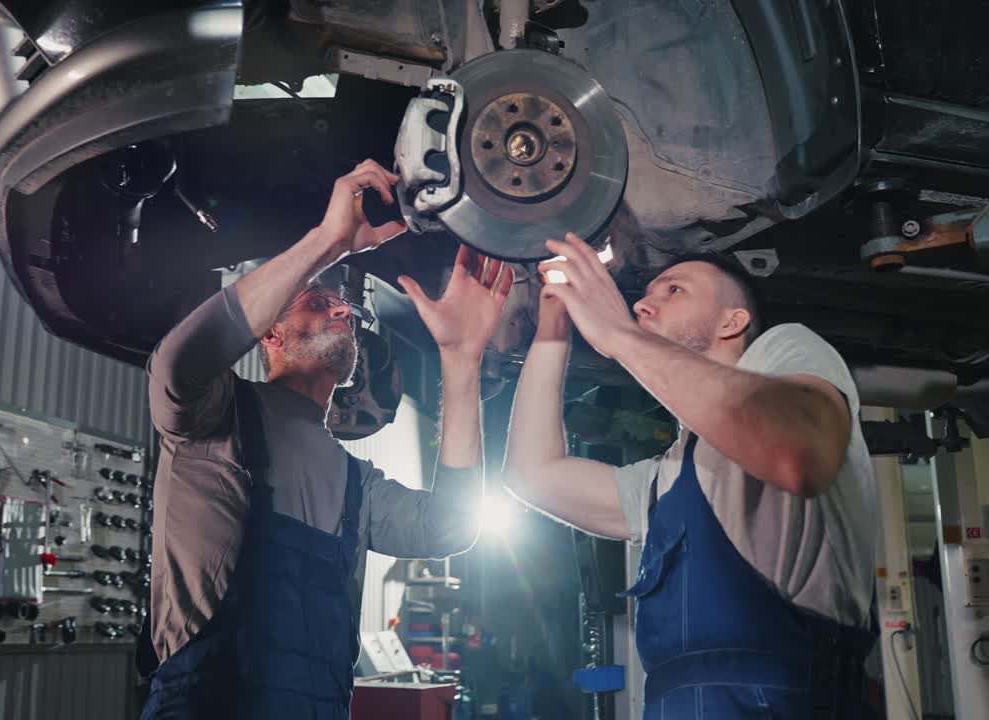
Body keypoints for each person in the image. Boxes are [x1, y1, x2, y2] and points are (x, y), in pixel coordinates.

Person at [141, 159, 513, 719]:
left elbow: (451, 526)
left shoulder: (355, 483)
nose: (343, 307)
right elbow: (177, 363)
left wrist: (461, 361)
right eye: (317, 303)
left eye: (342, 306)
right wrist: (328, 243)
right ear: (270, 332)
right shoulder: (215, 416)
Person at [503, 234, 878, 718]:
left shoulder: (787, 348)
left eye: (673, 290)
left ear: (732, 321)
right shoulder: (672, 475)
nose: (642, 305)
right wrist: (553, 327)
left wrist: (622, 336)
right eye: (647, 296)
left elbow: (797, 450)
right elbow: (534, 476)